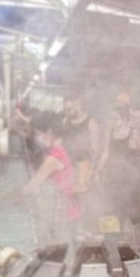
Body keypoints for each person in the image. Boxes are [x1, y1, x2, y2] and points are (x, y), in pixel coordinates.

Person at [20, 110, 80, 246]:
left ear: (50, 133)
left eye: (39, 134)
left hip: (62, 210)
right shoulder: (60, 149)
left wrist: (11, 196)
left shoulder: (53, 158)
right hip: (67, 206)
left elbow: (32, 185)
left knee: (60, 248)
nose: (38, 138)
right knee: (63, 247)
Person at [98, 93, 140, 230]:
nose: (111, 120)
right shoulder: (110, 133)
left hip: (130, 179)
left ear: (123, 118)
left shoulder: (133, 132)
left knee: (133, 212)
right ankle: (111, 241)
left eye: (114, 117)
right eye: (111, 117)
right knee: (111, 209)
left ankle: (133, 243)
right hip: (113, 176)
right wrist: (97, 171)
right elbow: (105, 152)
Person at [62, 93, 101, 225]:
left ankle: (87, 229)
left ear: (78, 105)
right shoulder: (65, 121)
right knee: (70, 200)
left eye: (69, 109)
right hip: (68, 165)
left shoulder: (91, 122)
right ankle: (73, 229)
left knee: (85, 200)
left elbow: (96, 149)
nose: (66, 112)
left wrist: (92, 171)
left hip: (84, 165)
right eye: (65, 109)